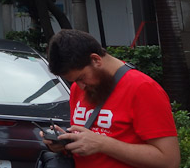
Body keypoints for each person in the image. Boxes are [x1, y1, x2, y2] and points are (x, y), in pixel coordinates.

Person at [45, 29, 179, 168]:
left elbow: (169, 161)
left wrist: (103, 144)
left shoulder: (143, 88)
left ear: (96, 59)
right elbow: (88, 141)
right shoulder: (78, 88)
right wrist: (66, 143)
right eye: (74, 81)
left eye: (81, 78)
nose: (81, 86)